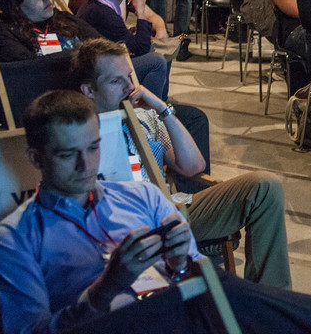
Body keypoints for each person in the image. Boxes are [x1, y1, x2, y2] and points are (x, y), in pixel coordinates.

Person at [0, 89, 311, 334]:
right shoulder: (13, 238)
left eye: (94, 148)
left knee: (221, 290)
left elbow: (195, 272)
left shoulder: (139, 198)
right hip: (115, 323)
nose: (88, 165)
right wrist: (106, 287)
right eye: (70, 156)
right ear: (35, 159)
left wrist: (180, 263)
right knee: (229, 295)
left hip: (184, 313)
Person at [74, 39, 291, 288]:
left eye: (129, 77)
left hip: (171, 212)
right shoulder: (76, 136)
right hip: (124, 228)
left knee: (266, 187)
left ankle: (272, 303)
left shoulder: (144, 117)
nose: (130, 87)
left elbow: (192, 167)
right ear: (89, 90)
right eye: (116, 81)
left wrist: (161, 109)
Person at [77, 0, 170, 100]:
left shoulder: (101, 4)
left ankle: (160, 103)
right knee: (157, 61)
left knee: (163, 50)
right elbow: (140, 49)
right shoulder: (102, 13)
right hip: (102, 73)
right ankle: (151, 114)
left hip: (108, 61)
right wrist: (140, 12)